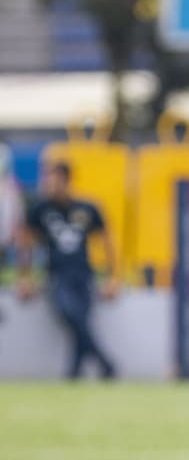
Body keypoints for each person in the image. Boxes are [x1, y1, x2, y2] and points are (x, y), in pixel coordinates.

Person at [16, 159, 119, 379]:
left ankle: (73, 373)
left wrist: (112, 277)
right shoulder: (40, 209)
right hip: (57, 275)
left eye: (53, 178)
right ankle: (105, 362)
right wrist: (25, 277)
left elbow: (107, 242)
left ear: (66, 180)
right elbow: (26, 243)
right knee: (71, 314)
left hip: (83, 274)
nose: (49, 184)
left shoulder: (87, 207)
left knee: (79, 320)